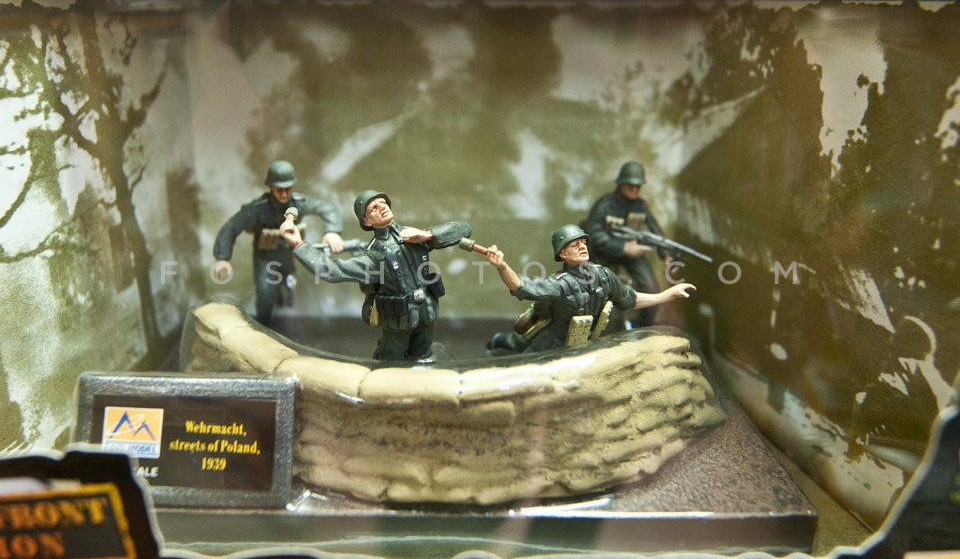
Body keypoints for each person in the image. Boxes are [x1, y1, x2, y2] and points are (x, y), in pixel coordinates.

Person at [280, 190, 471, 362]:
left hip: (427, 314)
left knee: (424, 358)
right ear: (366, 221)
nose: (382, 207)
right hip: (399, 321)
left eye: (383, 203)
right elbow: (332, 271)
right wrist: (299, 244)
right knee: (389, 364)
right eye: (373, 208)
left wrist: (428, 235)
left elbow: (463, 229)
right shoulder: (375, 255)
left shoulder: (414, 236)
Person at [484, 224, 694, 354]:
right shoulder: (560, 283)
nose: (582, 247)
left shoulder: (603, 276)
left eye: (583, 243)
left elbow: (629, 299)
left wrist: (667, 295)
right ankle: (498, 342)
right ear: (562, 254)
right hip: (551, 343)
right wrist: (502, 266)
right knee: (522, 357)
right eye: (575, 245)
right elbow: (522, 287)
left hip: (583, 344)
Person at [212, 160, 344, 326]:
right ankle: (263, 328)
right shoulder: (258, 208)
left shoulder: (298, 203)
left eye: (288, 189)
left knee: (290, 291)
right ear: (270, 187)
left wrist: (332, 231)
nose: (284, 194)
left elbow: (327, 208)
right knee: (265, 295)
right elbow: (232, 226)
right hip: (265, 259)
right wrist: (223, 257)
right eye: (279, 189)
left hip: (288, 256)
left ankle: (284, 304)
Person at [581, 160, 673, 327]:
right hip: (605, 252)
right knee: (591, 288)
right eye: (631, 185)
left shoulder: (640, 206)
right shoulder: (604, 205)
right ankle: (589, 327)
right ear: (621, 183)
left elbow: (655, 231)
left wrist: (666, 253)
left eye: (638, 186)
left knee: (651, 289)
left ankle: (643, 328)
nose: (635, 189)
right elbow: (594, 234)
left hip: (633, 255)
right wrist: (623, 247)